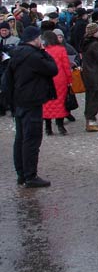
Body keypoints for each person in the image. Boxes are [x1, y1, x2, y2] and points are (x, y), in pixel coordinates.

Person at [5, 26, 58, 187]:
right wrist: (43, 51)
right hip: (32, 101)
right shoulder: (34, 56)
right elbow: (52, 69)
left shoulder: (16, 53)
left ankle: (21, 174)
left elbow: (8, 80)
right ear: (35, 39)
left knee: (20, 138)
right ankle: (30, 176)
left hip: (19, 101)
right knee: (32, 139)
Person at [80, 22, 98, 132]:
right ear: (94, 32)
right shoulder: (95, 44)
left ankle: (89, 119)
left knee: (89, 97)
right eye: (97, 31)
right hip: (96, 74)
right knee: (95, 98)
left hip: (88, 73)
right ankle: (91, 121)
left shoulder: (85, 43)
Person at [41, 30, 72, 136]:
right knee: (60, 103)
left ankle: (48, 127)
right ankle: (60, 125)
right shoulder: (61, 49)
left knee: (47, 104)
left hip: (46, 79)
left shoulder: (43, 51)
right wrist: (69, 80)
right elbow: (66, 66)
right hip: (60, 79)